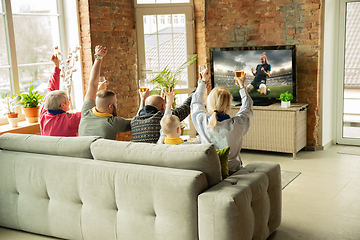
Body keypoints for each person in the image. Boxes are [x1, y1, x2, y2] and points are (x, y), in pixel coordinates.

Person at [191, 68, 253, 173]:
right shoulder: (238, 123)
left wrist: (203, 82)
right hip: (234, 172)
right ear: (229, 106)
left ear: (209, 105)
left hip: (210, 172)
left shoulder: (202, 122)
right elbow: (247, 107)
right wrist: (242, 86)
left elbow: (196, 103)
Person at [78, 45, 131, 140]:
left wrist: (98, 58)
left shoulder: (86, 112)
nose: (117, 105)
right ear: (110, 106)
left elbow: (92, 83)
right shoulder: (114, 122)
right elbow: (139, 123)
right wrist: (143, 100)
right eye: (116, 103)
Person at [39, 54, 81, 136]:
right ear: (62, 105)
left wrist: (56, 67)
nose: (69, 101)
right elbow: (87, 112)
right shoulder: (68, 120)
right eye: (67, 100)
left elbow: (52, 90)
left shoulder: (44, 115)